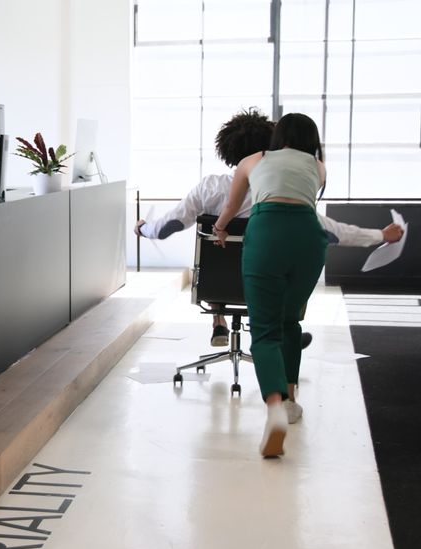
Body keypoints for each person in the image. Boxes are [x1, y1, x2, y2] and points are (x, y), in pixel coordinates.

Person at [134, 109, 402, 425]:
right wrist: (380, 235)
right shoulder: (292, 185)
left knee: (238, 289)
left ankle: (220, 320)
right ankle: (286, 370)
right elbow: (331, 232)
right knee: (286, 318)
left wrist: (143, 228)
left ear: (227, 150)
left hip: (219, 285)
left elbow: (169, 226)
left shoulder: (210, 187)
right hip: (283, 273)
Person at [212, 112, 330, 458]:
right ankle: (292, 400)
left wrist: (220, 229)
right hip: (309, 239)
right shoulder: (319, 167)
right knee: (289, 320)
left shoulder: (251, 161)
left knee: (264, 331)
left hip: (266, 235)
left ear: (277, 135)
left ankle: (275, 408)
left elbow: (232, 206)